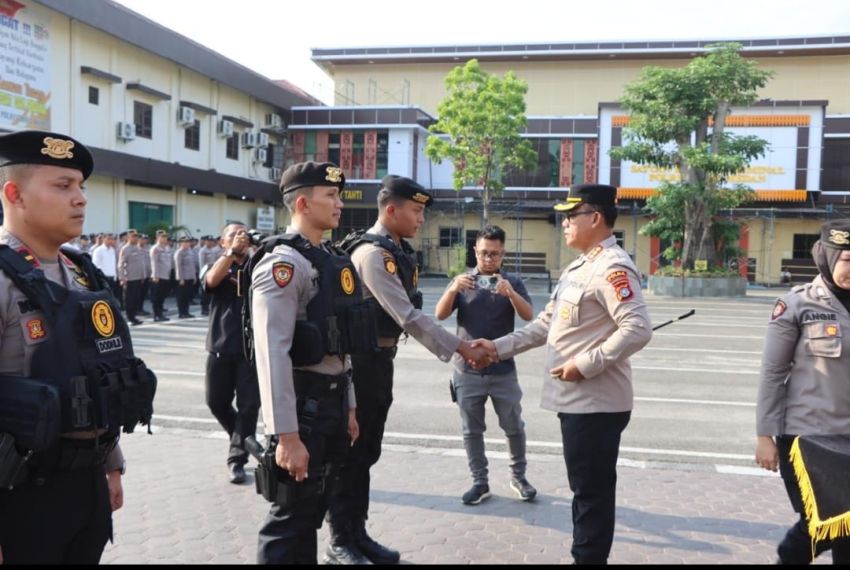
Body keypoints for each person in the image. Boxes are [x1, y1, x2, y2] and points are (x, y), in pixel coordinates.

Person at [472, 184, 653, 565]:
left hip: (596, 401)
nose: (565, 223)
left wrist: (584, 365)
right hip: (579, 402)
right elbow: (545, 326)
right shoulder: (579, 267)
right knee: (584, 489)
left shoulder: (612, 266)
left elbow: (637, 328)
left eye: (572, 216)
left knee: (591, 493)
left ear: (596, 218)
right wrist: (496, 348)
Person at [0, 130, 155, 564]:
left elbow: (98, 371)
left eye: (80, 186)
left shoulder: (83, 274)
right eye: (62, 186)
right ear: (15, 193)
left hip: (85, 483)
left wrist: (109, 462)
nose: (80, 198)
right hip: (20, 493)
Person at [326, 174, 491, 565]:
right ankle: (339, 540)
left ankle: (357, 532)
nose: (421, 219)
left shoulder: (396, 248)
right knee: (350, 454)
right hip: (359, 366)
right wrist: (461, 347)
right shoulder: (372, 254)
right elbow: (408, 316)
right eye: (415, 211)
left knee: (366, 452)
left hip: (379, 364)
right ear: (391, 210)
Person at [250, 161, 372, 565]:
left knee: (312, 511)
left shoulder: (329, 258)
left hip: (332, 404)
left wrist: (350, 404)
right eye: (331, 197)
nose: (339, 204)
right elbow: (272, 353)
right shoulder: (283, 265)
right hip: (302, 409)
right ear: (303, 203)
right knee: (289, 517)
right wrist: (286, 436)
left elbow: (342, 341)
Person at [755, 220, 850, 564]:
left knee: (848, 526)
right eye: (846, 260)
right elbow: (772, 373)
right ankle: (788, 558)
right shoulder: (797, 305)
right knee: (823, 521)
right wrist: (764, 435)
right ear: (826, 257)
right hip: (809, 438)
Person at [434, 224, 537, 506]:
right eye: (484, 253)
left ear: (503, 254)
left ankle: (519, 477)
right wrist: (454, 288)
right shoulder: (463, 281)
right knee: (471, 429)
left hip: (503, 368)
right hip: (466, 370)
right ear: (475, 252)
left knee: (513, 426)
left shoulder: (511, 282)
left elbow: (529, 316)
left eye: (495, 254)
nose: (489, 259)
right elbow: (440, 314)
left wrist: (511, 294)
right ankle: (480, 482)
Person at [201, 222, 260, 484]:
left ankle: (236, 458)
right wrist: (231, 255)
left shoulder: (257, 264)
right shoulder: (218, 264)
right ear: (223, 242)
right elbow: (212, 281)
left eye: (243, 234)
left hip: (252, 348)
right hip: (221, 345)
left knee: (249, 406)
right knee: (216, 402)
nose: (240, 238)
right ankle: (243, 440)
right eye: (233, 235)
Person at [118, 228, 147, 325]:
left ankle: (134, 316)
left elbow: (141, 263)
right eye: (133, 236)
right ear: (128, 237)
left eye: (136, 236)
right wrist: (122, 278)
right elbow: (121, 264)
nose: (135, 238)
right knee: (129, 299)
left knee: (136, 298)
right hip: (129, 278)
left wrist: (143, 275)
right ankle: (129, 318)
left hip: (138, 277)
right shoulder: (125, 249)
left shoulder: (138, 248)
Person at [149, 230, 173, 322]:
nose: (164, 238)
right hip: (158, 276)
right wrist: (155, 275)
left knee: (162, 296)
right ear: (158, 237)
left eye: (165, 236)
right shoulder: (155, 249)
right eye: (162, 236)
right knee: (157, 297)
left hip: (165, 275)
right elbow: (154, 263)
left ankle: (160, 313)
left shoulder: (167, 248)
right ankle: (156, 315)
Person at [92, 232, 120, 301]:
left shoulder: (112, 250)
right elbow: (95, 266)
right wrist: (99, 278)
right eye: (108, 239)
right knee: (103, 298)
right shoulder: (98, 250)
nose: (110, 241)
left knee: (111, 297)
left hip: (112, 277)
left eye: (112, 239)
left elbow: (113, 264)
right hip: (103, 278)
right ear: (104, 239)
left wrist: (115, 276)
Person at [198, 235, 222, 317]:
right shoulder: (202, 251)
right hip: (205, 273)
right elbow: (201, 264)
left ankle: (208, 308)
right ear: (205, 242)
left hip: (212, 272)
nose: (211, 242)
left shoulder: (212, 250)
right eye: (209, 241)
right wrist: (203, 275)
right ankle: (204, 309)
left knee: (210, 293)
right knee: (204, 293)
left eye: (212, 241)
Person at [174, 236, 196, 318]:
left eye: (188, 242)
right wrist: (180, 278)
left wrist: (194, 276)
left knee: (187, 296)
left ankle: (186, 312)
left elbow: (192, 265)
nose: (187, 243)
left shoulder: (190, 251)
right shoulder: (179, 253)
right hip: (183, 278)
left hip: (190, 277)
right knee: (181, 296)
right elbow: (178, 266)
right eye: (185, 242)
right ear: (181, 243)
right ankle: (181, 312)